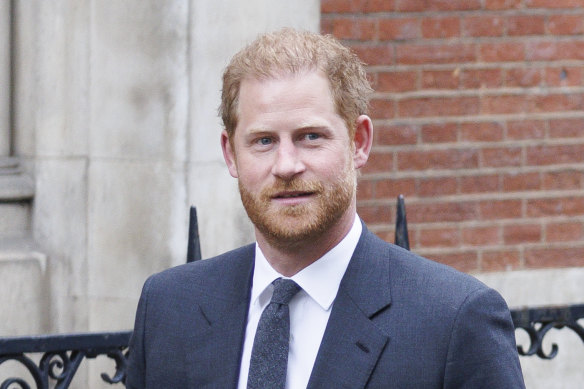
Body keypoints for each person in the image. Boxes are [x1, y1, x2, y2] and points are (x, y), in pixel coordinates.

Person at [126, 28, 525, 388]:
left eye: (311, 137)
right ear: (230, 154)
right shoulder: (168, 308)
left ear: (359, 142)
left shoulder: (453, 321)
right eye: (263, 141)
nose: (286, 165)